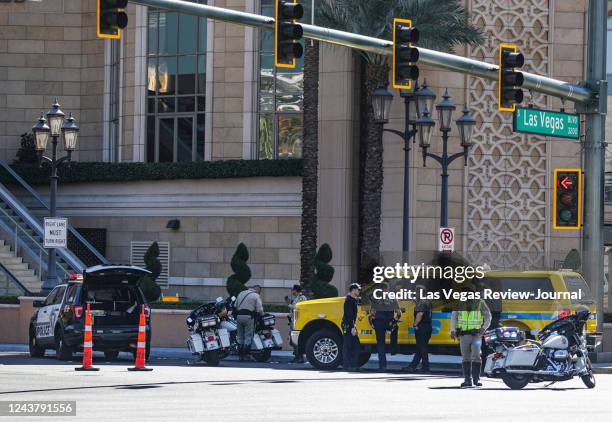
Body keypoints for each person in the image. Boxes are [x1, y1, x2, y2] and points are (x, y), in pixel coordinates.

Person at [450, 286, 492, 388]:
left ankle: (476, 379)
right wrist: (453, 330)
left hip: (476, 335)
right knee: (466, 357)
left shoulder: (480, 303)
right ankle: (467, 380)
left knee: (476, 356)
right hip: (464, 335)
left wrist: (483, 329)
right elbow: (454, 317)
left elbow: (488, 317)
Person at [369, 282, 401, 371]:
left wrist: (372, 317)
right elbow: (399, 312)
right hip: (389, 322)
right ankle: (393, 349)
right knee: (394, 331)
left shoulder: (376, 298)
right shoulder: (393, 298)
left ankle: (383, 366)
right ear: (388, 289)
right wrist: (395, 320)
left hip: (379, 323)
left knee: (380, 343)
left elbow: (372, 312)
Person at [405, 285, 432, 372]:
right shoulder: (427, 301)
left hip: (422, 327)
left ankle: (425, 367)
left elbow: (420, 314)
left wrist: (415, 324)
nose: (415, 294)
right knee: (421, 348)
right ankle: (413, 365)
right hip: (428, 327)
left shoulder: (422, 302)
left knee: (422, 348)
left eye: (416, 292)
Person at [235, 285, 264, 362]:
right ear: (257, 290)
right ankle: (246, 355)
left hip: (239, 316)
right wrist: (262, 315)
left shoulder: (241, 293)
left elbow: (235, 305)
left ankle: (240, 356)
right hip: (249, 317)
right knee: (248, 336)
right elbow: (260, 309)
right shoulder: (256, 295)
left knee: (240, 336)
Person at [342, 283, 361, 371]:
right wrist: (353, 327)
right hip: (348, 325)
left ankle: (352, 365)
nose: (358, 291)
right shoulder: (348, 300)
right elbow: (349, 315)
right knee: (348, 345)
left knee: (354, 345)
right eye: (358, 289)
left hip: (351, 324)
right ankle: (347, 365)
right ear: (353, 290)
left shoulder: (353, 300)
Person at [287, 284, 308, 363]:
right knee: (293, 340)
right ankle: (297, 356)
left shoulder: (302, 298)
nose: (292, 291)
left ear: (296, 290)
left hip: (298, 322)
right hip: (294, 321)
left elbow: (298, 308)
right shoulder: (296, 298)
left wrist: (289, 304)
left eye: (293, 290)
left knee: (296, 339)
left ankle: (299, 357)